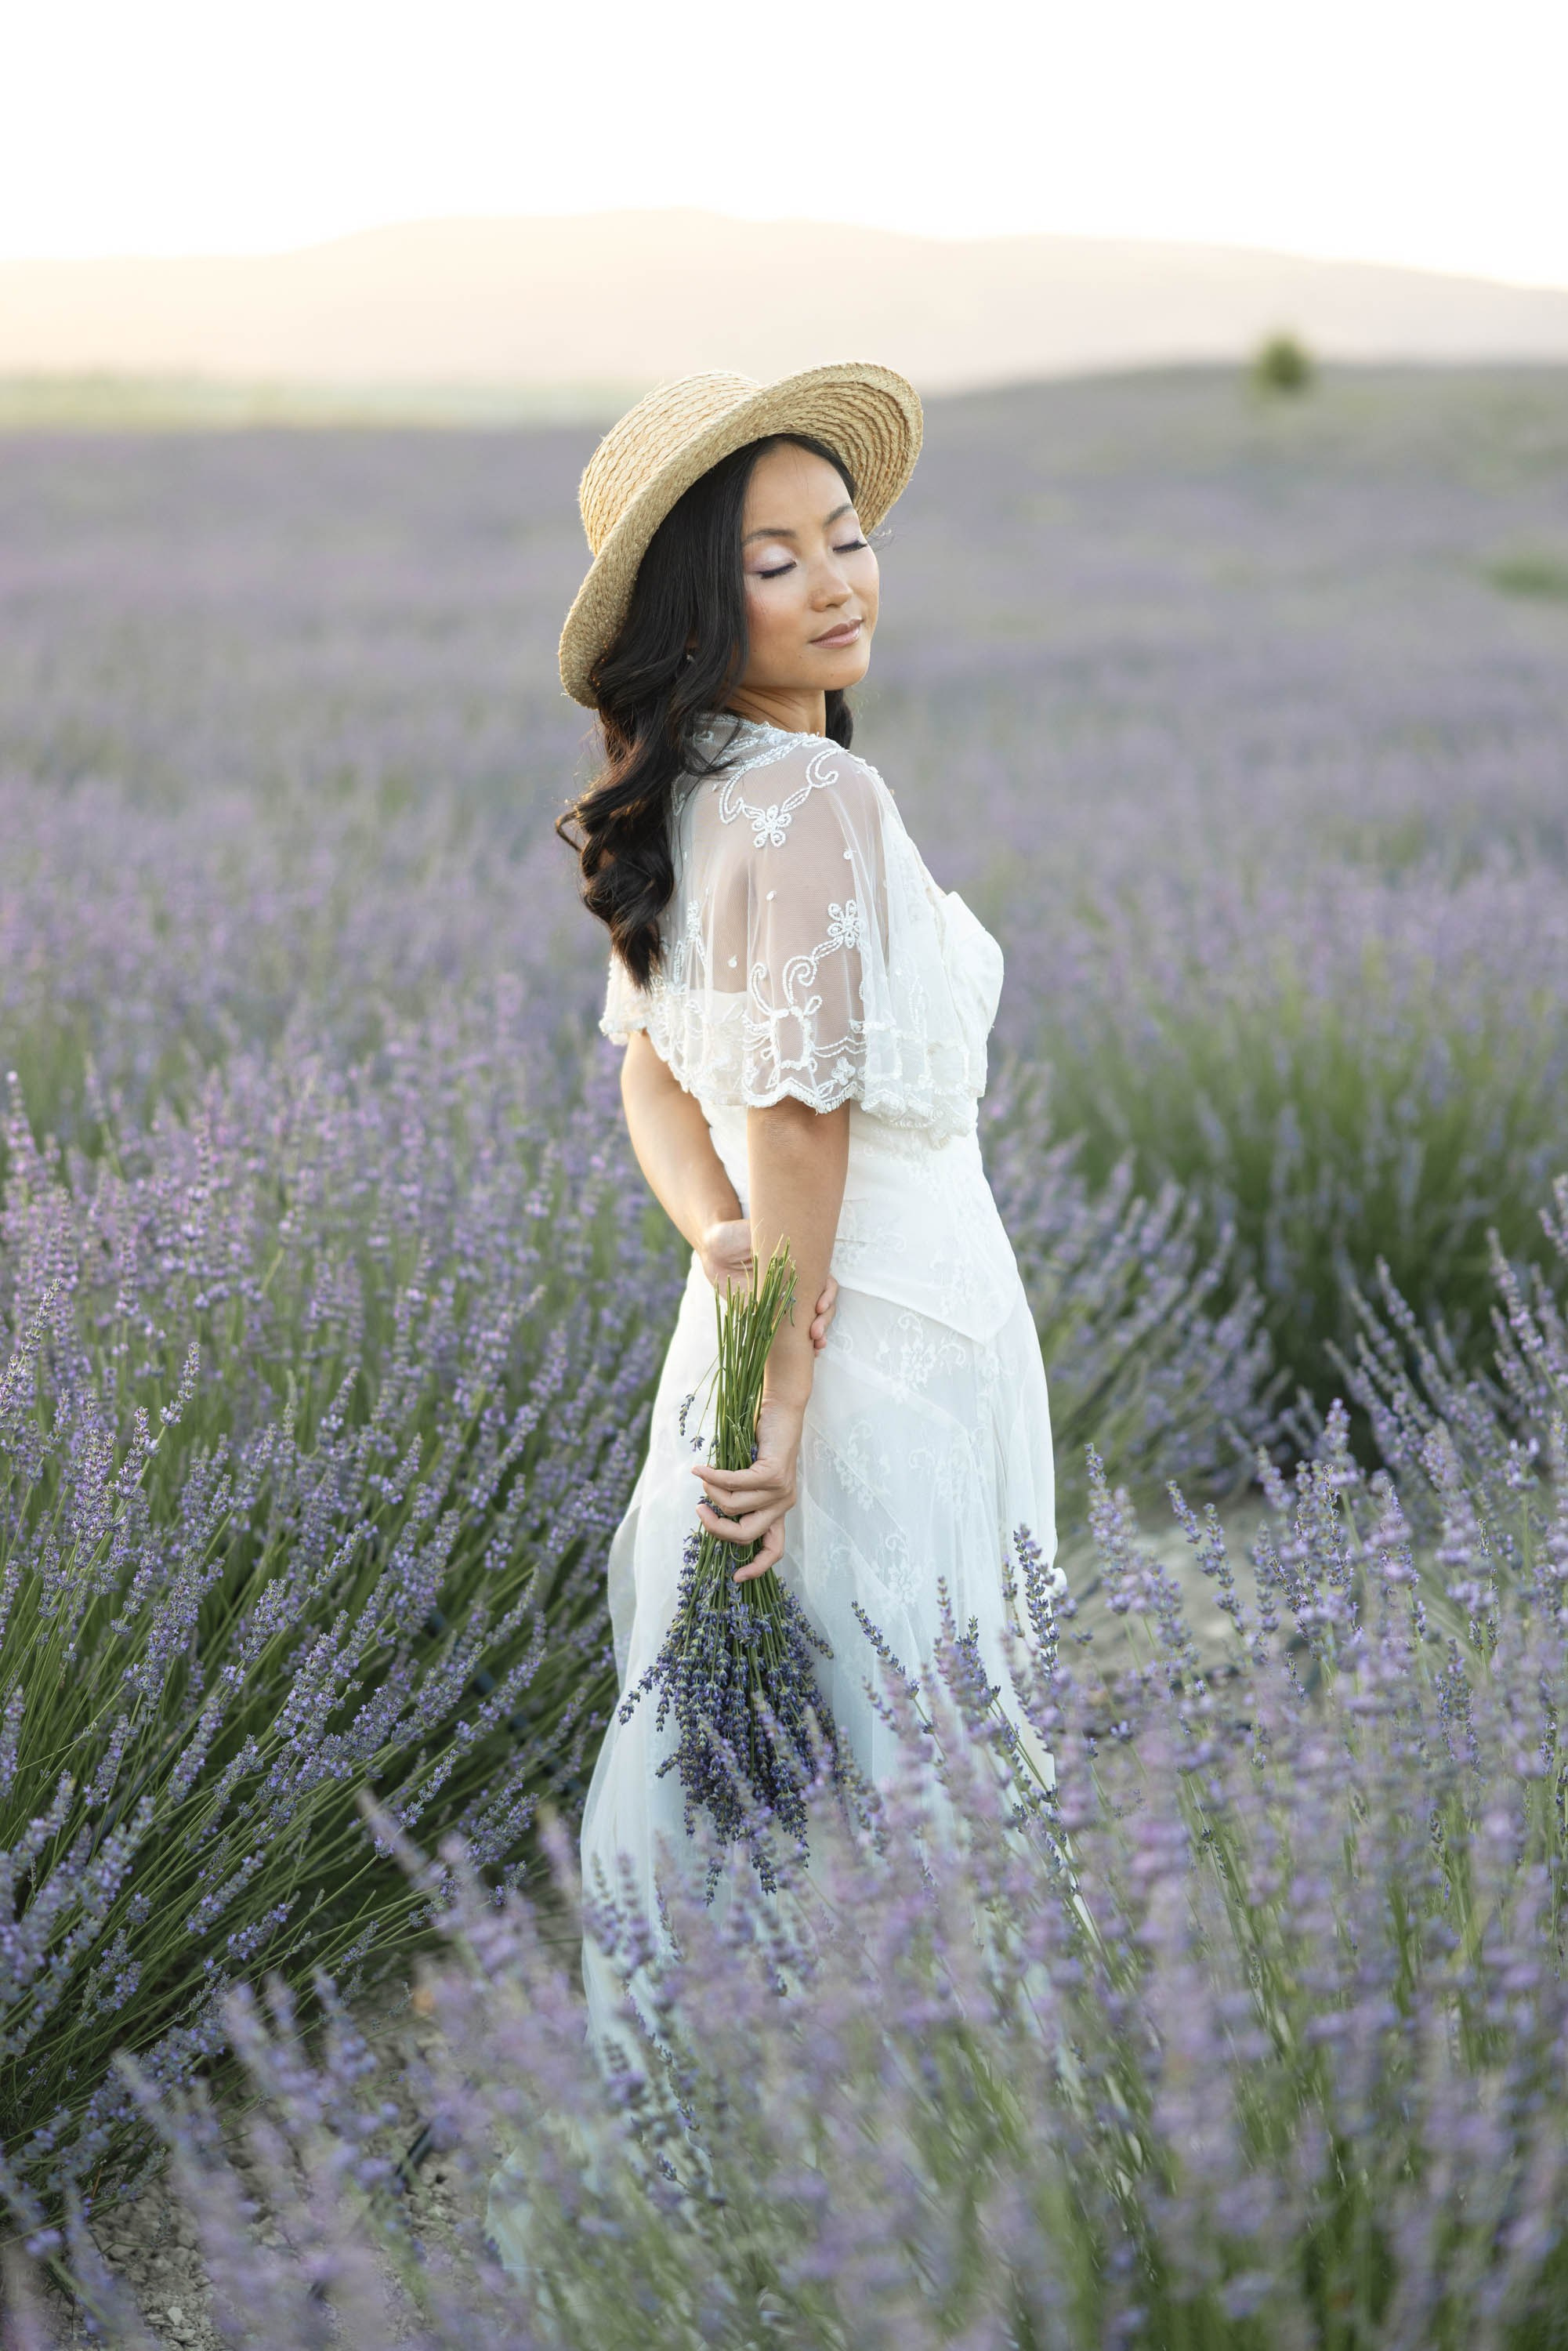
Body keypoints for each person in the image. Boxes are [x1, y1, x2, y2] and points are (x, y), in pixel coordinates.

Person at [559, 362, 1059, 2040]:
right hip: (873, 1333)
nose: (838, 580)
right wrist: (780, 1403)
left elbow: (647, 1071)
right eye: (778, 559)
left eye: (846, 538)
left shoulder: (683, 790)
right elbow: (799, 1128)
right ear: (707, 603)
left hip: (752, 1313)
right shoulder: (820, 800)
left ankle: (741, 2124)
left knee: (761, 1766)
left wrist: (712, 1249)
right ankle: (943, 2130)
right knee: (916, 1736)